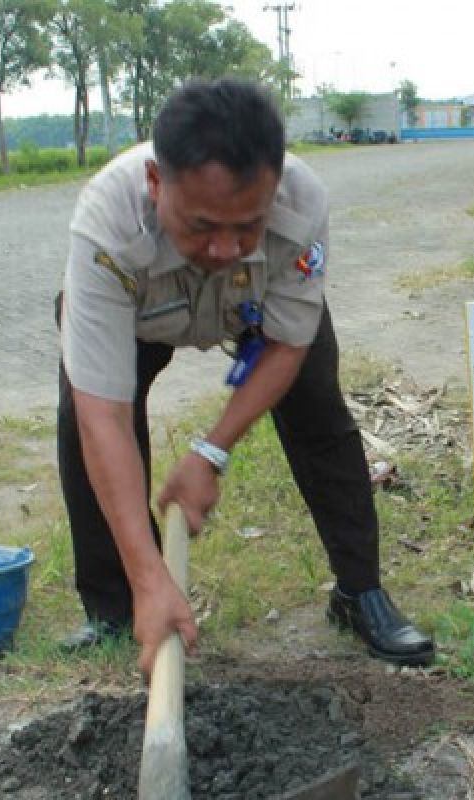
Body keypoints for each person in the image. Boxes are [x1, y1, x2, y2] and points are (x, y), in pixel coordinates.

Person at [55, 78, 434, 675]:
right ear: (157, 184)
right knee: (84, 423)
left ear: (275, 190)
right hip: (141, 315)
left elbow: (285, 344)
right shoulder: (106, 224)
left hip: (258, 311)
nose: (226, 248)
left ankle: (360, 592)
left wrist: (210, 453)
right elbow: (103, 413)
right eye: (204, 225)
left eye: (247, 226)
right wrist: (152, 577)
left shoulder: (303, 203)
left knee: (320, 417)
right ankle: (117, 604)